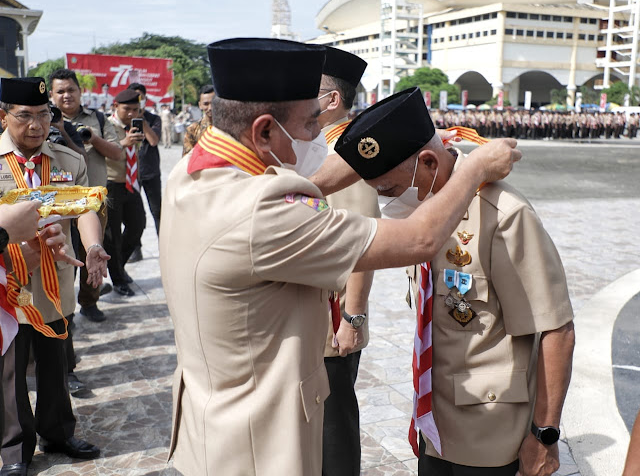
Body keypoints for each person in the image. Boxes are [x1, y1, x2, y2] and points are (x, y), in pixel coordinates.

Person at [159, 37, 521, 476]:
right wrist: (476, 168)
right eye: (312, 124)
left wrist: (397, 141)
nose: (318, 137)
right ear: (266, 131)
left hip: (212, 422)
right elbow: (419, 239)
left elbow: (302, 184)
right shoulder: (260, 214)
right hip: (258, 445)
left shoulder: (194, 172)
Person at [333, 87, 575, 476]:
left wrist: (544, 435)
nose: (385, 203)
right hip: (433, 424)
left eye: (389, 191)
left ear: (428, 162)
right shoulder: (422, 213)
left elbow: (556, 330)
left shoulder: (502, 215)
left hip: (490, 435)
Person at [0, 77, 109, 476]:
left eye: (44, 116)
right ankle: (14, 450)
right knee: (10, 370)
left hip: (54, 282)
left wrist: (93, 246)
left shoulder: (69, 161)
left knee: (54, 363)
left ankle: (58, 432)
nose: (36, 126)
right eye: (25, 116)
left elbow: (85, 210)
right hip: (7, 285)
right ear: (3, 115)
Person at [315, 46, 376, 476]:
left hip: (333, 318)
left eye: (308, 92)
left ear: (332, 99)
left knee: (333, 429)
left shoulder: (348, 152)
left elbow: (363, 243)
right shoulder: (318, 147)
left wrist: (351, 319)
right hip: (311, 312)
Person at [50, 68, 123, 322]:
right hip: (58, 203)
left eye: (71, 89)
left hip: (94, 199)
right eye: (60, 91)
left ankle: (90, 302)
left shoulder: (99, 118)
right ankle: (63, 308)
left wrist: (92, 137)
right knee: (63, 256)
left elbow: (117, 154)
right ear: (51, 95)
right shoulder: (42, 120)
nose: (66, 95)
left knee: (93, 250)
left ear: (80, 92)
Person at [104, 89, 147, 297]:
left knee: (138, 225)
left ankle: (118, 267)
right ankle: (118, 279)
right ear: (115, 106)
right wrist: (123, 143)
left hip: (130, 184)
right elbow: (101, 151)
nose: (131, 113)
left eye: (135, 109)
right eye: (127, 109)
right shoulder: (106, 125)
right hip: (110, 184)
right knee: (113, 237)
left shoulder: (135, 125)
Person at [126, 83, 162, 262]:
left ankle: (165, 247)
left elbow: (154, 141)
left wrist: (143, 121)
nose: (137, 102)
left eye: (140, 98)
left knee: (158, 211)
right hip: (131, 173)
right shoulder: (123, 120)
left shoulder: (154, 118)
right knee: (134, 216)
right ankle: (136, 249)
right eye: (134, 99)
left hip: (151, 171)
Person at [183, 85, 214, 156]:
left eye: (213, 103)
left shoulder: (230, 128)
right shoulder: (192, 130)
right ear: (200, 105)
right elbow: (187, 159)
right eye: (206, 104)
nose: (210, 108)